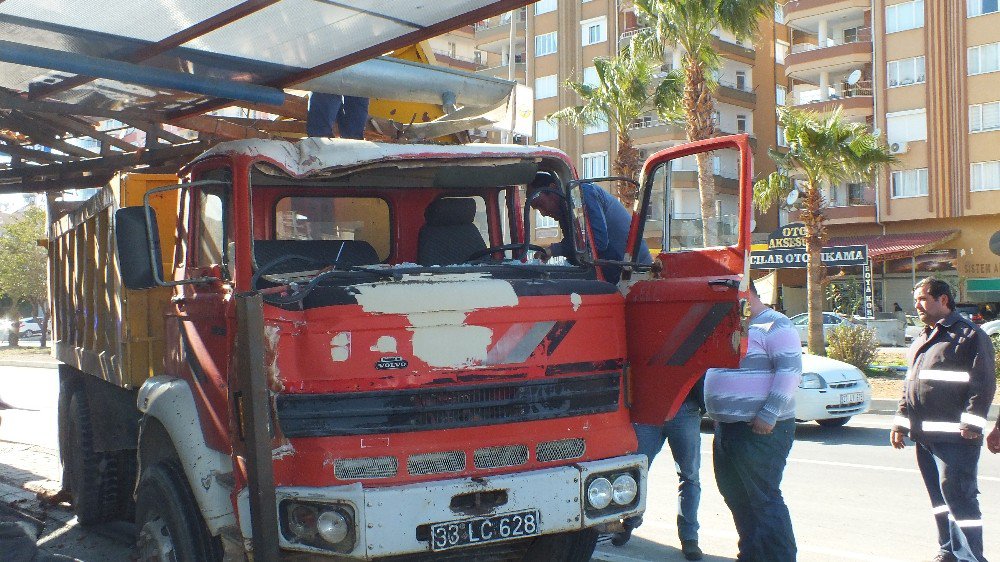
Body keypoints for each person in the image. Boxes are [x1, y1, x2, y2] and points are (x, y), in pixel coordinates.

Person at [890, 277, 996, 562]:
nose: (917, 306)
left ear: (944, 300)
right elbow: (909, 384)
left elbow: (983, 383)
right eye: (916, 301)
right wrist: (901, 421)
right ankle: (948, 550)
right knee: (939, 502)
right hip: (924, 438)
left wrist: (973, 422)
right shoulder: (923, 338)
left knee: (960, 500)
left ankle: (972, 557)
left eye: (923, 299)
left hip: (956, 438)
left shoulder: (970, 336)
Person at [704, 279, 800, 562]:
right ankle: (751, 555)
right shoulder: (731, 325)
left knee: (762, 499)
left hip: (759, 429)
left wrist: (769, 413)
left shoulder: (775, 324)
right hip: (727, 427)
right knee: (735, 495)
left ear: (746, 294)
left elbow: (790, 370)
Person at [622, 380, 705, 560]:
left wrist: (703, 403)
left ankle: (689, 538)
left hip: (684, 408)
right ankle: (629, 521)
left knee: (689, 476)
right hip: (649, 408)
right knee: (635, 471)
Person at [528, 172, 651, 283]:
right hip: (614, 275)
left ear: (553, 189)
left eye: (541, 205)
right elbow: (577, 252)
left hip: (635, 276)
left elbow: (597, 243)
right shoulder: (566, 212)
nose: (543, 213)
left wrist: (554, 250)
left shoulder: (583, 193)